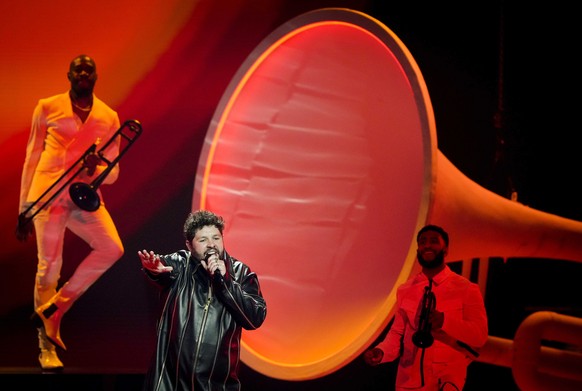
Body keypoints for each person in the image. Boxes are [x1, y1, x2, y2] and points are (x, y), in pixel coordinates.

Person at [17, 54, 124, 370]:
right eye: (78, 68)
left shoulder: (109, 116)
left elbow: (114, 172)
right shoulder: (47, 106)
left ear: (96, 76)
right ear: (68, 74)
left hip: (83, 196)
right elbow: (31, 156)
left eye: (88, 69)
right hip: (47, 196)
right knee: (49, 266)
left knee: (112, 248)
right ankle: (46, 348)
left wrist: (97, 167)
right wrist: (24, 209)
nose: (83, 73)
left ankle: (55, 307)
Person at [138, 209, 267, 391]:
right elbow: (164, 270)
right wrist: (154, 270)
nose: (211, 245)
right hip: (168, 383)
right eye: (203, 240)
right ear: (189, 246)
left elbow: (255, 318)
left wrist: (226, 282)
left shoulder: (241, 273)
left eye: (216, 238)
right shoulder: (181, 264)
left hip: (217, 385)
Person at [364, 225, 488, 390]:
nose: (427, 245)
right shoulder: (405, 290)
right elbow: (396, 334)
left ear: (446, 249)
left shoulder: (467, 288)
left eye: (434, 241)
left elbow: (479, 336)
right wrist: (381, 352)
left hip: (446, 381)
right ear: (418, 249)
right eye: (422, 242)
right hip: (408, 382)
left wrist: (444, 321)